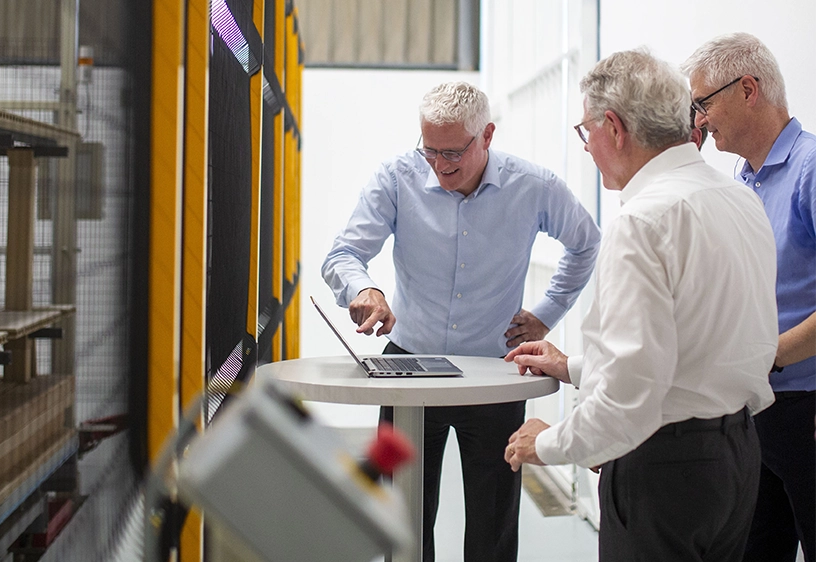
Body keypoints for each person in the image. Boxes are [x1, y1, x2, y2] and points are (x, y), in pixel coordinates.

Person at [503, 49, 779, 561]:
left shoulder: (643, 221)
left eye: (586, 132)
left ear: (613, 127)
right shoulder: (739, 199)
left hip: (663, 469)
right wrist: (573, 367)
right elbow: (702, 345)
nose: (587, 148)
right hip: (737, 456)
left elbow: (630, 395)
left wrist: (547, 442)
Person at [322, 81, 600, 562]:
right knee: (401, 517)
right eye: (429, 151)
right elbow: (343, 254)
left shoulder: (533, 186)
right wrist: (364, 290)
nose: (440, 165)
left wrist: (546, 314)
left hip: (495, 375)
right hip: (407, 371)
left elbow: (585, 243)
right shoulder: (397, 178)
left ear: (487, 135)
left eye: (452, 152)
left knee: (494, 524)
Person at [682, 32, 816, 562]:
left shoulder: (810, 169)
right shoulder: (745, 180)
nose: (699, 120)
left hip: (805, 403)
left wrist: (767, 355)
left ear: (747, 90)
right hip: (757, 404)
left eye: (703, 103)